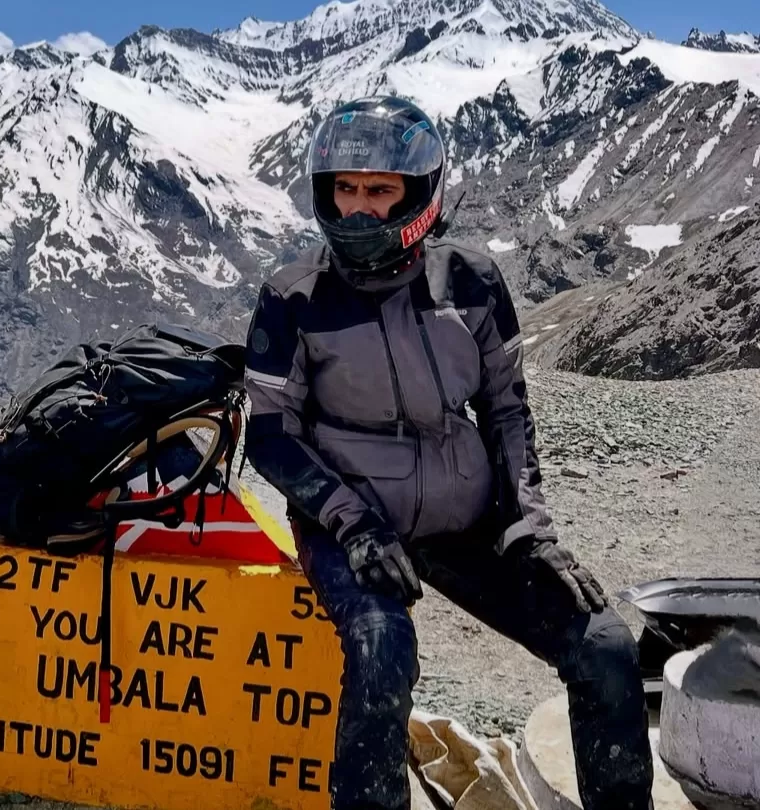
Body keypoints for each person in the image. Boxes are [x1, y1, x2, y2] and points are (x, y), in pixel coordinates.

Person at [242, 95, 654, 810]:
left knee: (605, 644)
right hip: (355, 521)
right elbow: (272, 436)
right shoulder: (292, 298)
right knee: (381, 646)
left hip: (467, 515)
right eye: (345, 189)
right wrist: (352, 524)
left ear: (420, 196)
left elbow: (506, 410)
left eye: (380, 190)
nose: (359, 209)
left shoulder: (471, 281)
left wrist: (531, 528)